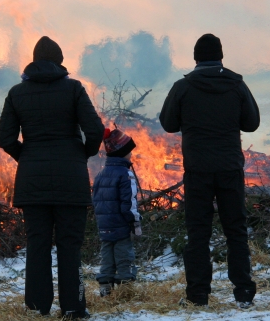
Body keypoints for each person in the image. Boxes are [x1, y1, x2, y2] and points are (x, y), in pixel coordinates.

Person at [0, 36, 104, 319]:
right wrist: (82, 154)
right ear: (60, 62)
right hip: (71, 177)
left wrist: (27, 156)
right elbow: (95, 130)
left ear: (33, 62)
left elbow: (5, 137)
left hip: (33, 180)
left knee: (38, 244)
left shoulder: (17, 93)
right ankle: (73, 307)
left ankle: (37, 308)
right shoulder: (74, 89)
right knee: (70, 245)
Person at [159, 33, 260, 309]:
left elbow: (167, 123)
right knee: (236, 231)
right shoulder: (237, 85)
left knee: (198, 233)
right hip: (229, 168)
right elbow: (252, 124)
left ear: (195, 58)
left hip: (198, 170)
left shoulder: (183, 87)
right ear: (221, 57)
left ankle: (198, 294)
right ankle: (243, 292)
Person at [92, 128, 142, 297]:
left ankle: (105, 289)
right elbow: (129, 203)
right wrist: (135, 224)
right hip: (121, 225)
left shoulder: (100, 175)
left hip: (104, 225)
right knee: (124, 256)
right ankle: (125, 290)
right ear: (122, 154)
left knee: (107, 256)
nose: (131, 155)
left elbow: (96, 201)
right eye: (129, 152)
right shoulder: (126, 175)